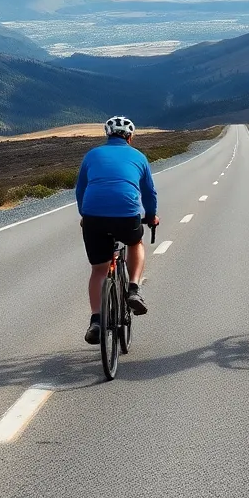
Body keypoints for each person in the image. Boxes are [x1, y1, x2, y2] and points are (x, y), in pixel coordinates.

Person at [76, 116, 159, 345]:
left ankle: (96, 321)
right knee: (135, 243)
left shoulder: (92, 155)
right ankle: (133, 289)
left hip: (93, 216)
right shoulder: (139, 157)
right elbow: (149, 193)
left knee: (99, 270)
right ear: (130, 137)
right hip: (126, 215)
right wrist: (151, 216)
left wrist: (85, 215)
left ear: (107, 135)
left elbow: (81, 189)